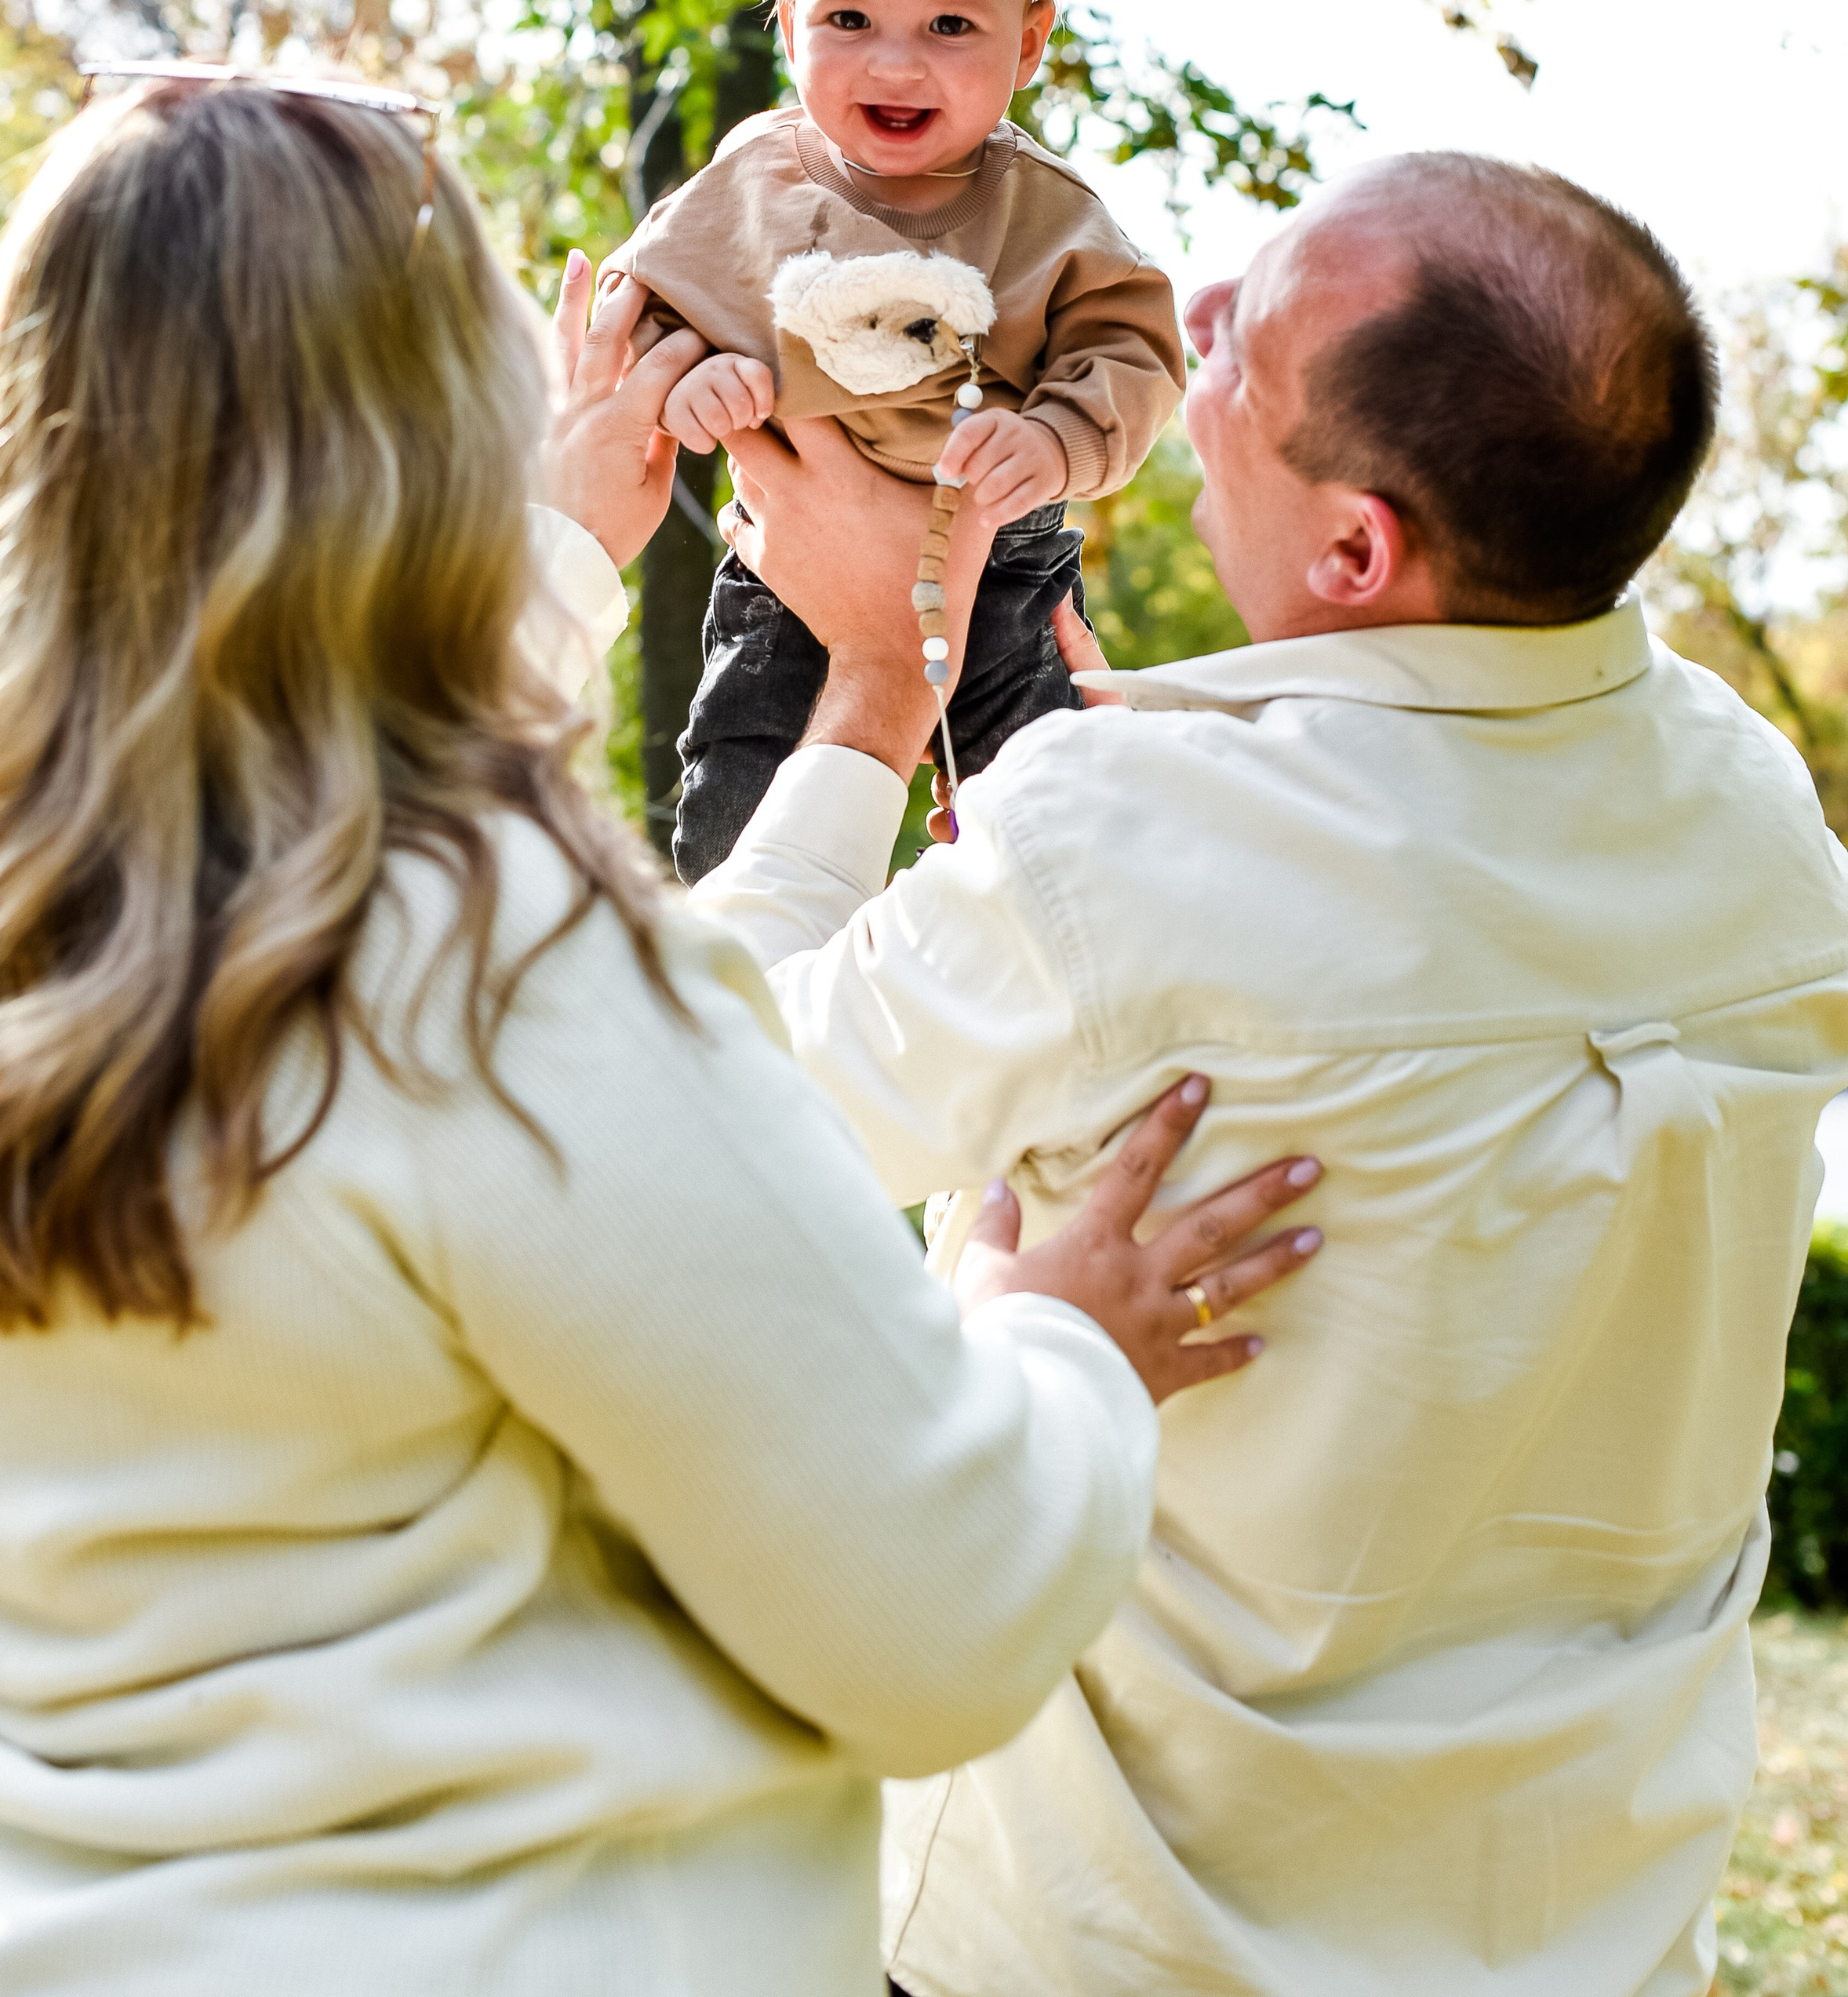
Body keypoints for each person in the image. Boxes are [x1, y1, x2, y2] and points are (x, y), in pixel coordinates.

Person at [0, 75, 1324, 1997]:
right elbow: (934, 1616)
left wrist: (853, 682)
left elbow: (371, 903)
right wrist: (1063, 1343)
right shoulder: (497, 966)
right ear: (432, 436)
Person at [697, 150, 1848, 1997]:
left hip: (1108, 1940)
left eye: (1237, 352)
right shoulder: (1757, 823)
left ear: (1354, 552)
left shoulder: (1120, 855)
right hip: (1581, 1932)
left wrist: (860, 682)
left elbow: (700, 1122)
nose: (1189, 328)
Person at [609, 0, 1183, 881]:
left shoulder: (1047, 213)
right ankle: (751, 997)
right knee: (738, 812)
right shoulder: (752, 181)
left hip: (999, 557)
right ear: (789, 27)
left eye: (950, 28)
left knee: (1047, 824)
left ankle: (1028, 999)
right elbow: (638, 310)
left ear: (1028, 42)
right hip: (791, 560)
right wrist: (691, 379)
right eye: (851, 22)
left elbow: (1136, 349)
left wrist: (1059, 440)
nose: (895, 66)